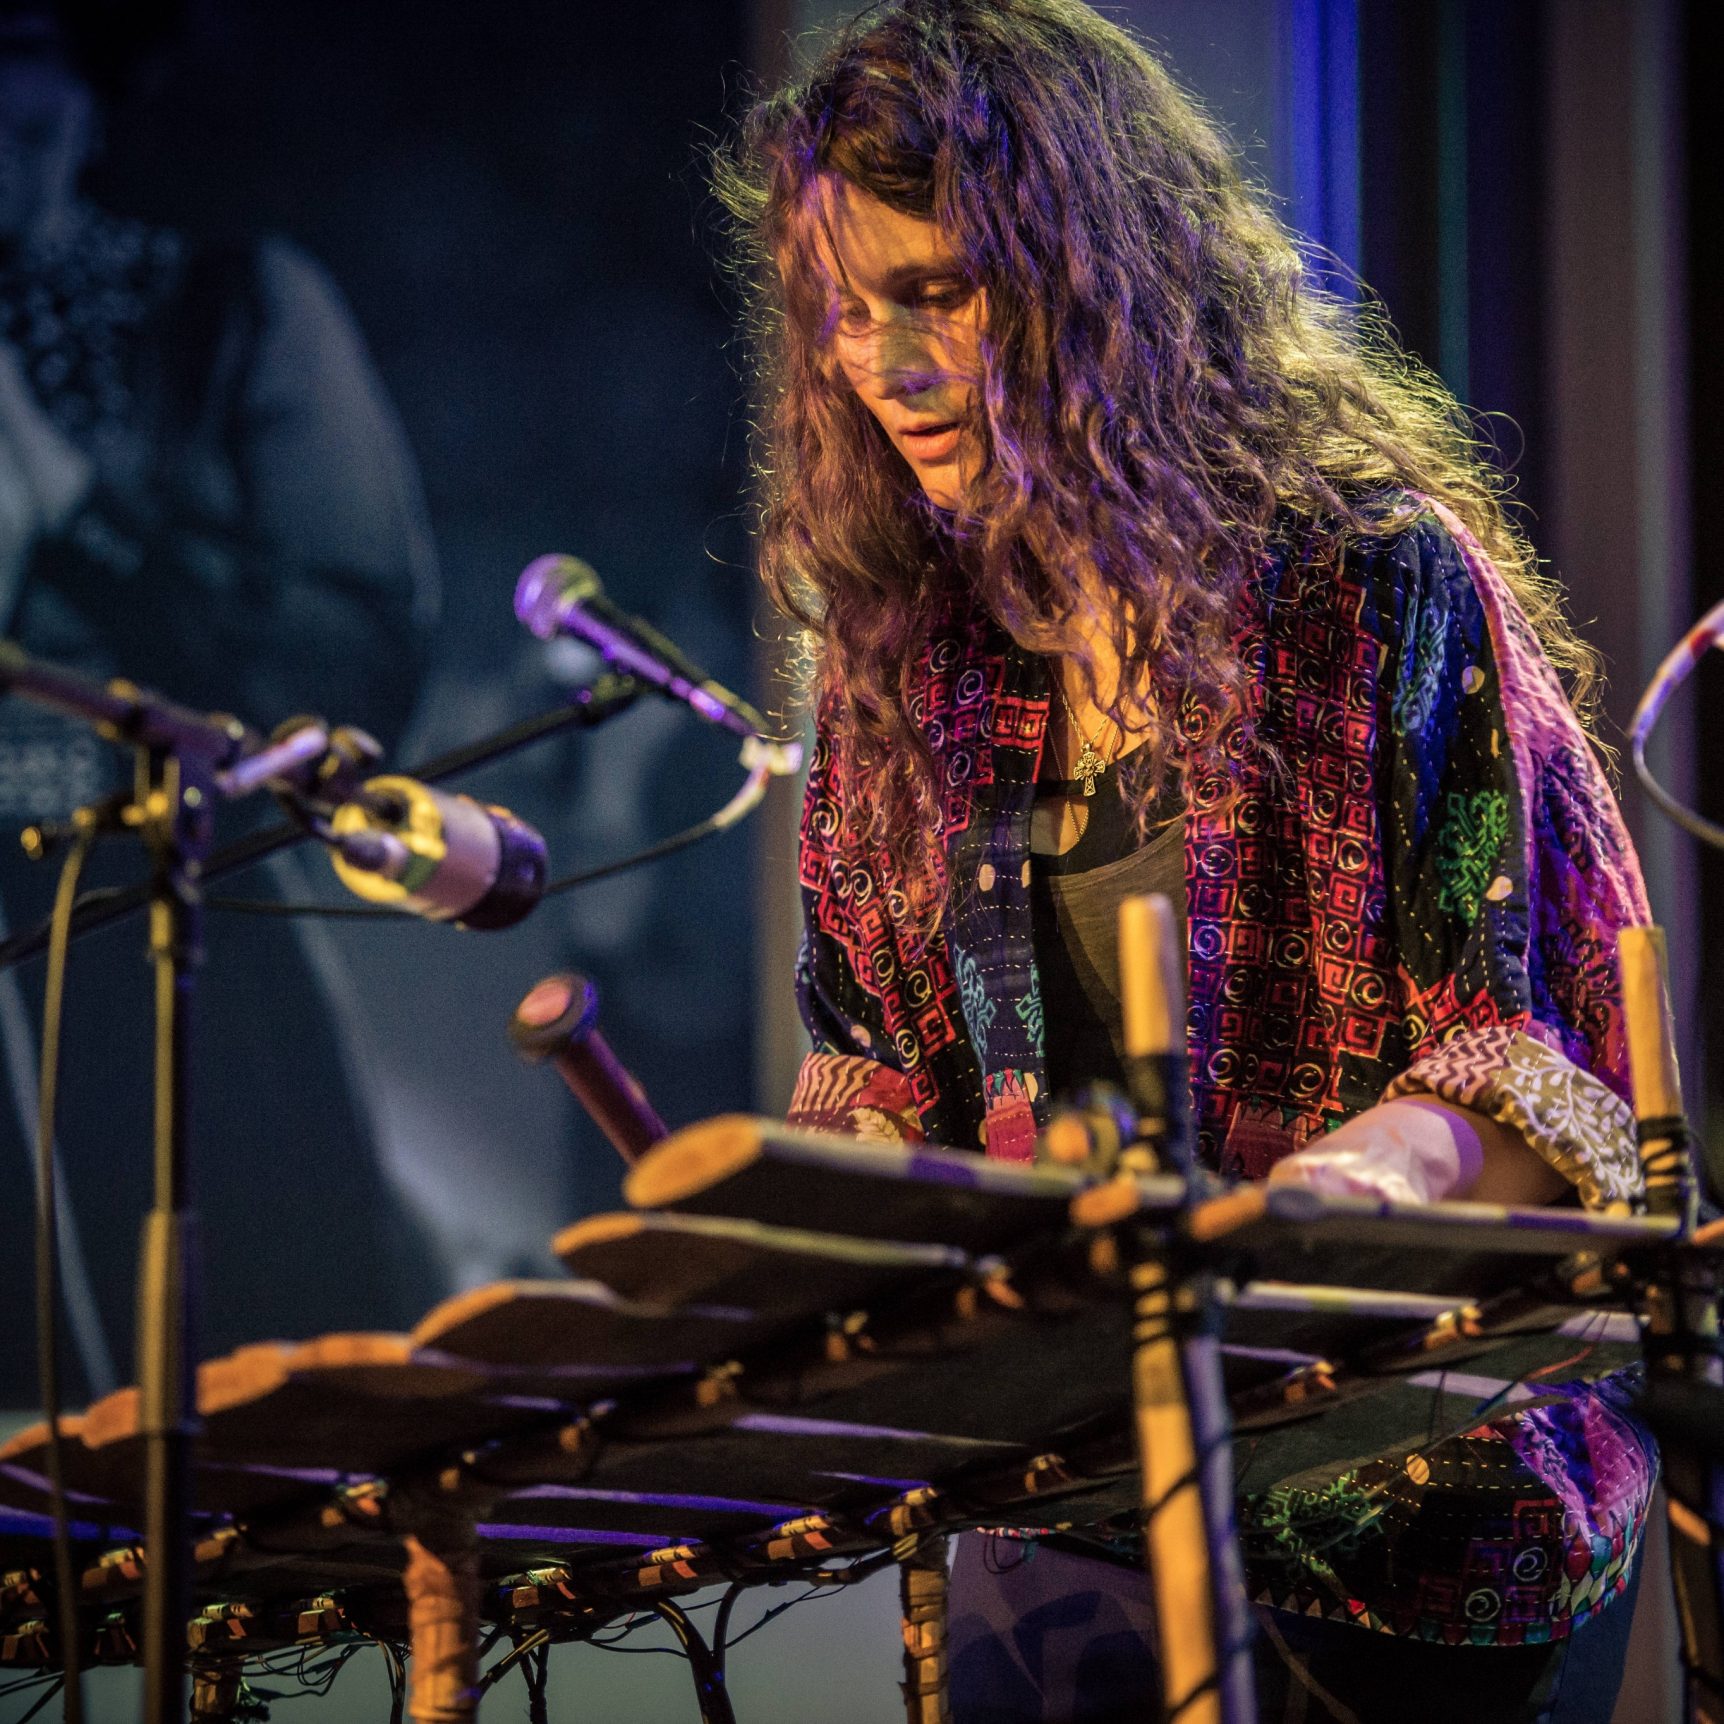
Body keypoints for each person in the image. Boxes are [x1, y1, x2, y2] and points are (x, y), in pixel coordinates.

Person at [719, 2, 1657, 1719]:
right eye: (847, 311)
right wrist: (791, 1235)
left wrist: (1313, 1207)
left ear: (1097, 276)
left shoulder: (1372, 586)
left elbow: (1535, 1072)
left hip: (1419, 1515)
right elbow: (875, 1063)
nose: (884, 362)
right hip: (1061, 1509)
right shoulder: (900, 659)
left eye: (937, 294)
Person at [0, 2, 443, 1404]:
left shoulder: (225, 309)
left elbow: (352, 640)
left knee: (234, 1388)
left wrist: (74, 508)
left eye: (25, 114)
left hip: (170, 953)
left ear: (85, 102)